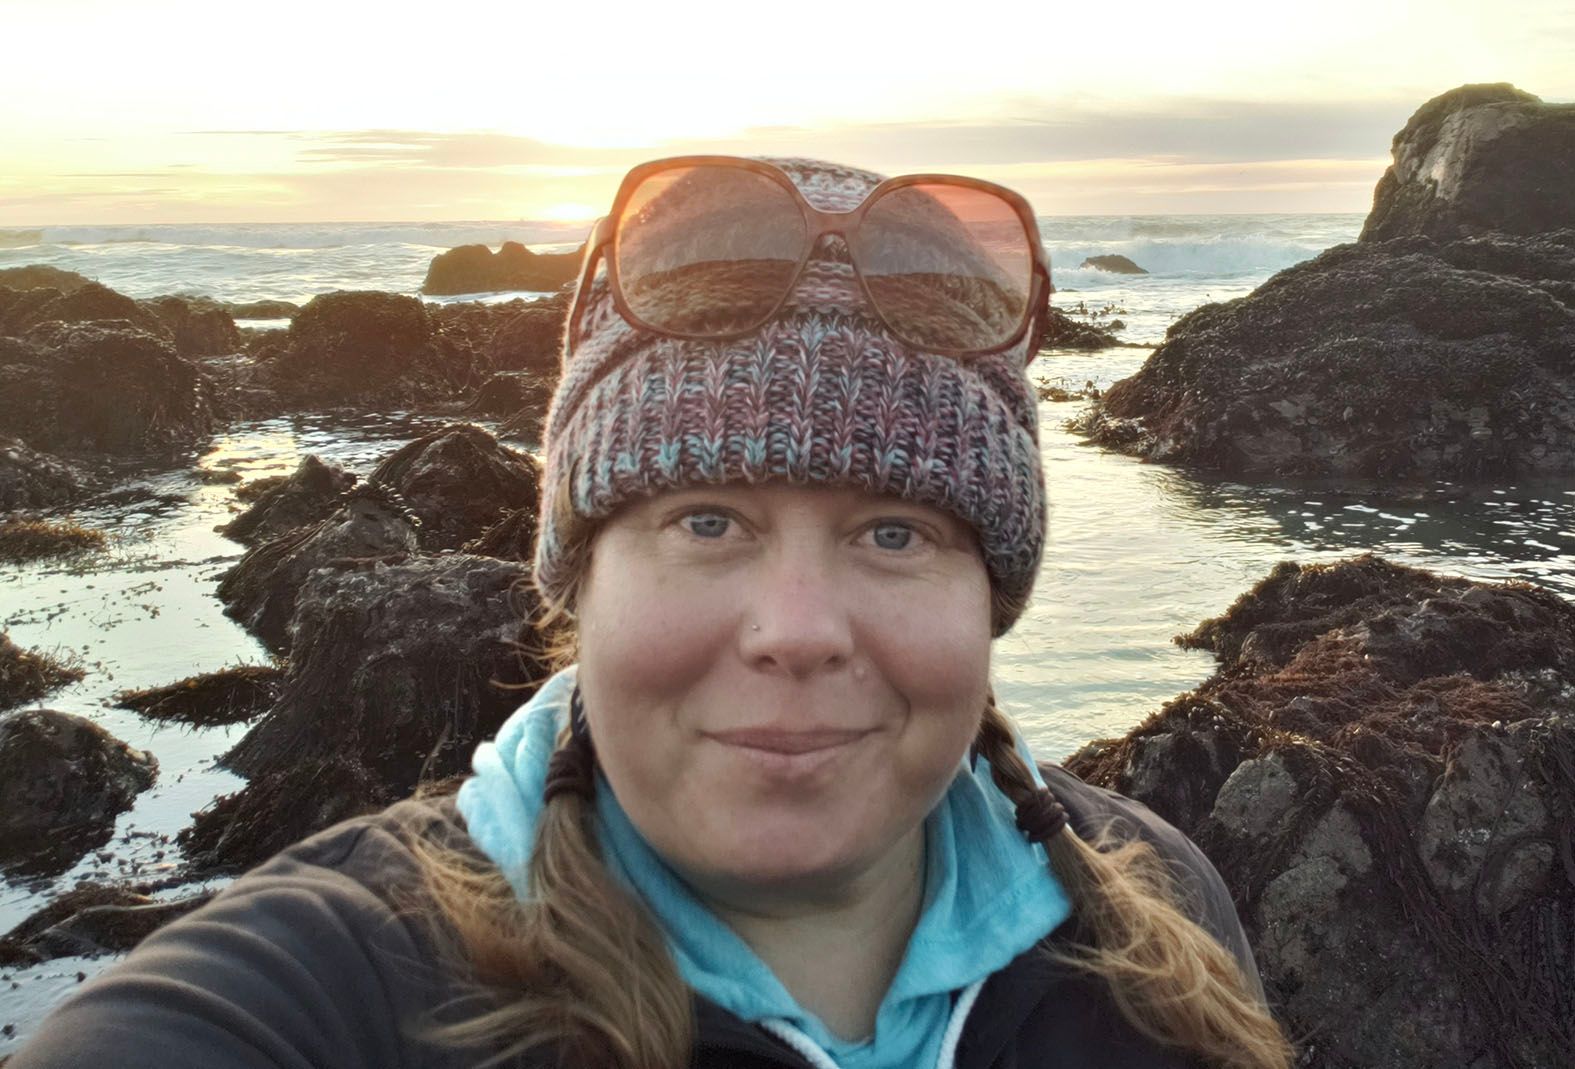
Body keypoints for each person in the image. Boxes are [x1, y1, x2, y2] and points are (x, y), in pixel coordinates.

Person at [12, 156, 1293, 1069]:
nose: (796, 629)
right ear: (574, 576)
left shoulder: (1150, 906)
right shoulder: (329, 986)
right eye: (706, 522)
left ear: (991, 593)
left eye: (895, 532)